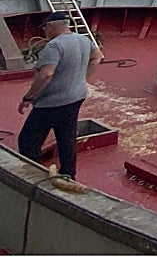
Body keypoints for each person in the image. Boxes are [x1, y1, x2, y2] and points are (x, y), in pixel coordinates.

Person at [17, 11, 104, 179]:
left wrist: (28, 98)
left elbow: (46, 74)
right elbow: (97, 57)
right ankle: (69, 174)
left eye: (45, 28)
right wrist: (81, 79)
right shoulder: (84, 40)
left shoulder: (54, 46)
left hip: (51, 102)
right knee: (66, 138)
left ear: (51, 26)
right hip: (76, 97)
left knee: (28, 142)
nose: (44, 32)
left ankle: (32, 176)